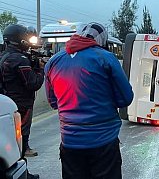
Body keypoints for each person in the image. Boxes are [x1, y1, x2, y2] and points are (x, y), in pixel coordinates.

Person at [44, 22, 133, 179]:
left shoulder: (53, 61)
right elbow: (125, 98)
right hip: (104, 141)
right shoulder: (106, 58)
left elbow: (53, 102)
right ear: (102, 40)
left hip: (70, 141)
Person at [0, 24, 44, 179]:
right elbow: (33, 83)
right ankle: (23, 173)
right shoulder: (20, 59)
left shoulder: (4, 56)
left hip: (8, 103)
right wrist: (40, 69)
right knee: (20, 141)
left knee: (11, 139)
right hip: (22, 105)